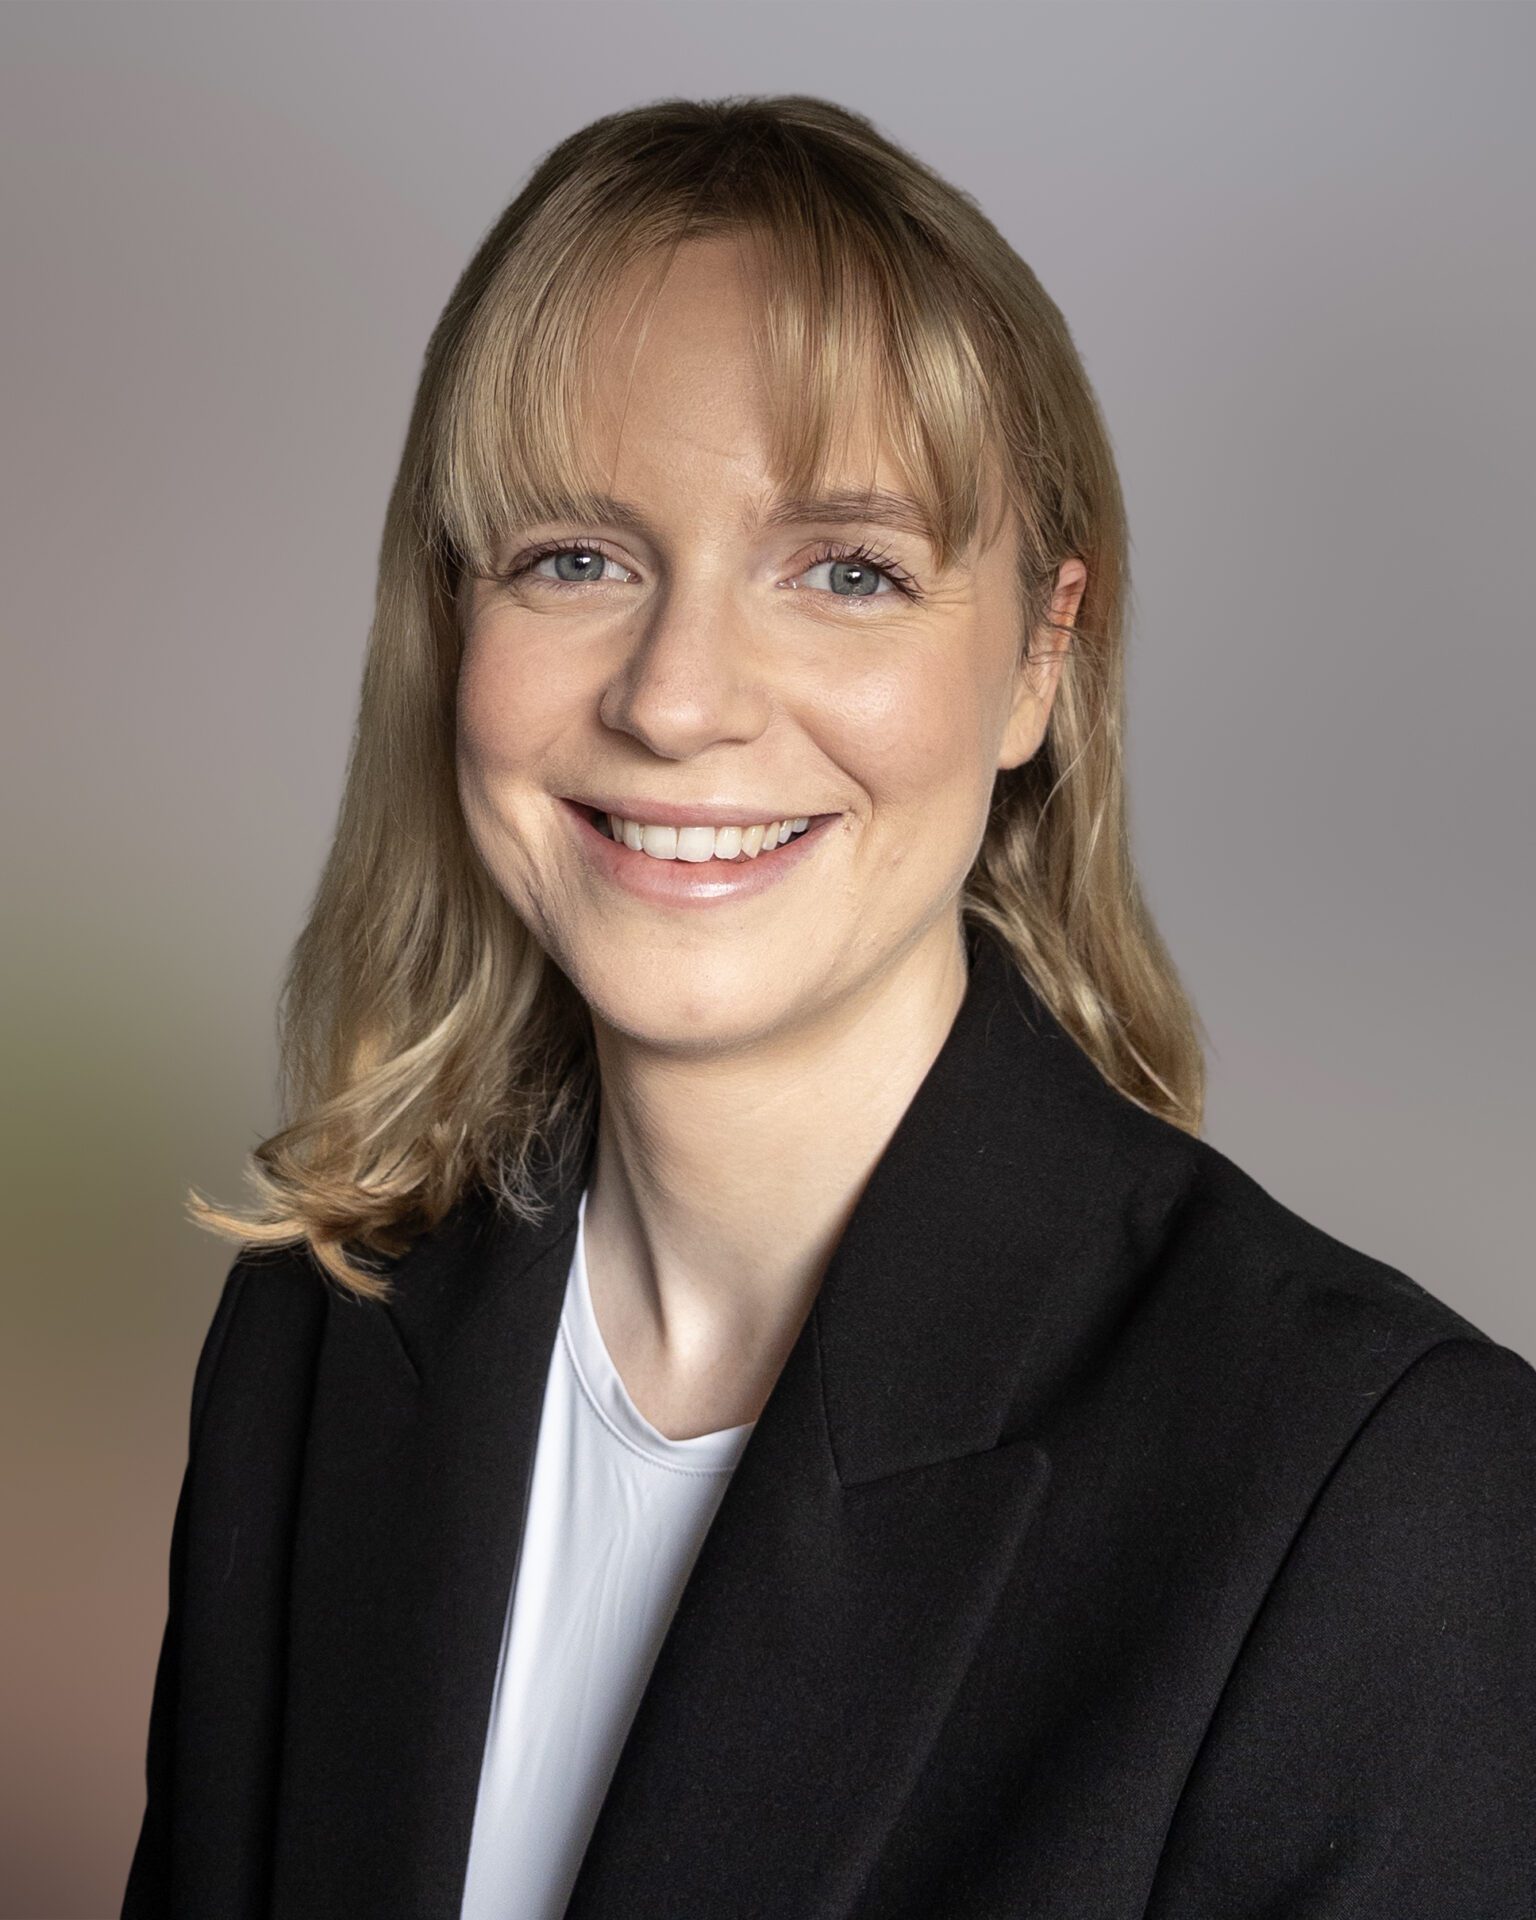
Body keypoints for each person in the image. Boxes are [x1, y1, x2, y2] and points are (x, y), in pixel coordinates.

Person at [121, 96, 1536, 1920]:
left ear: (1042, 658)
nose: (677, 699)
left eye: (847, 571)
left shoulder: (1388, 1499)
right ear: (451, 620)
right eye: (575, 557)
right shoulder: (314, 1341)